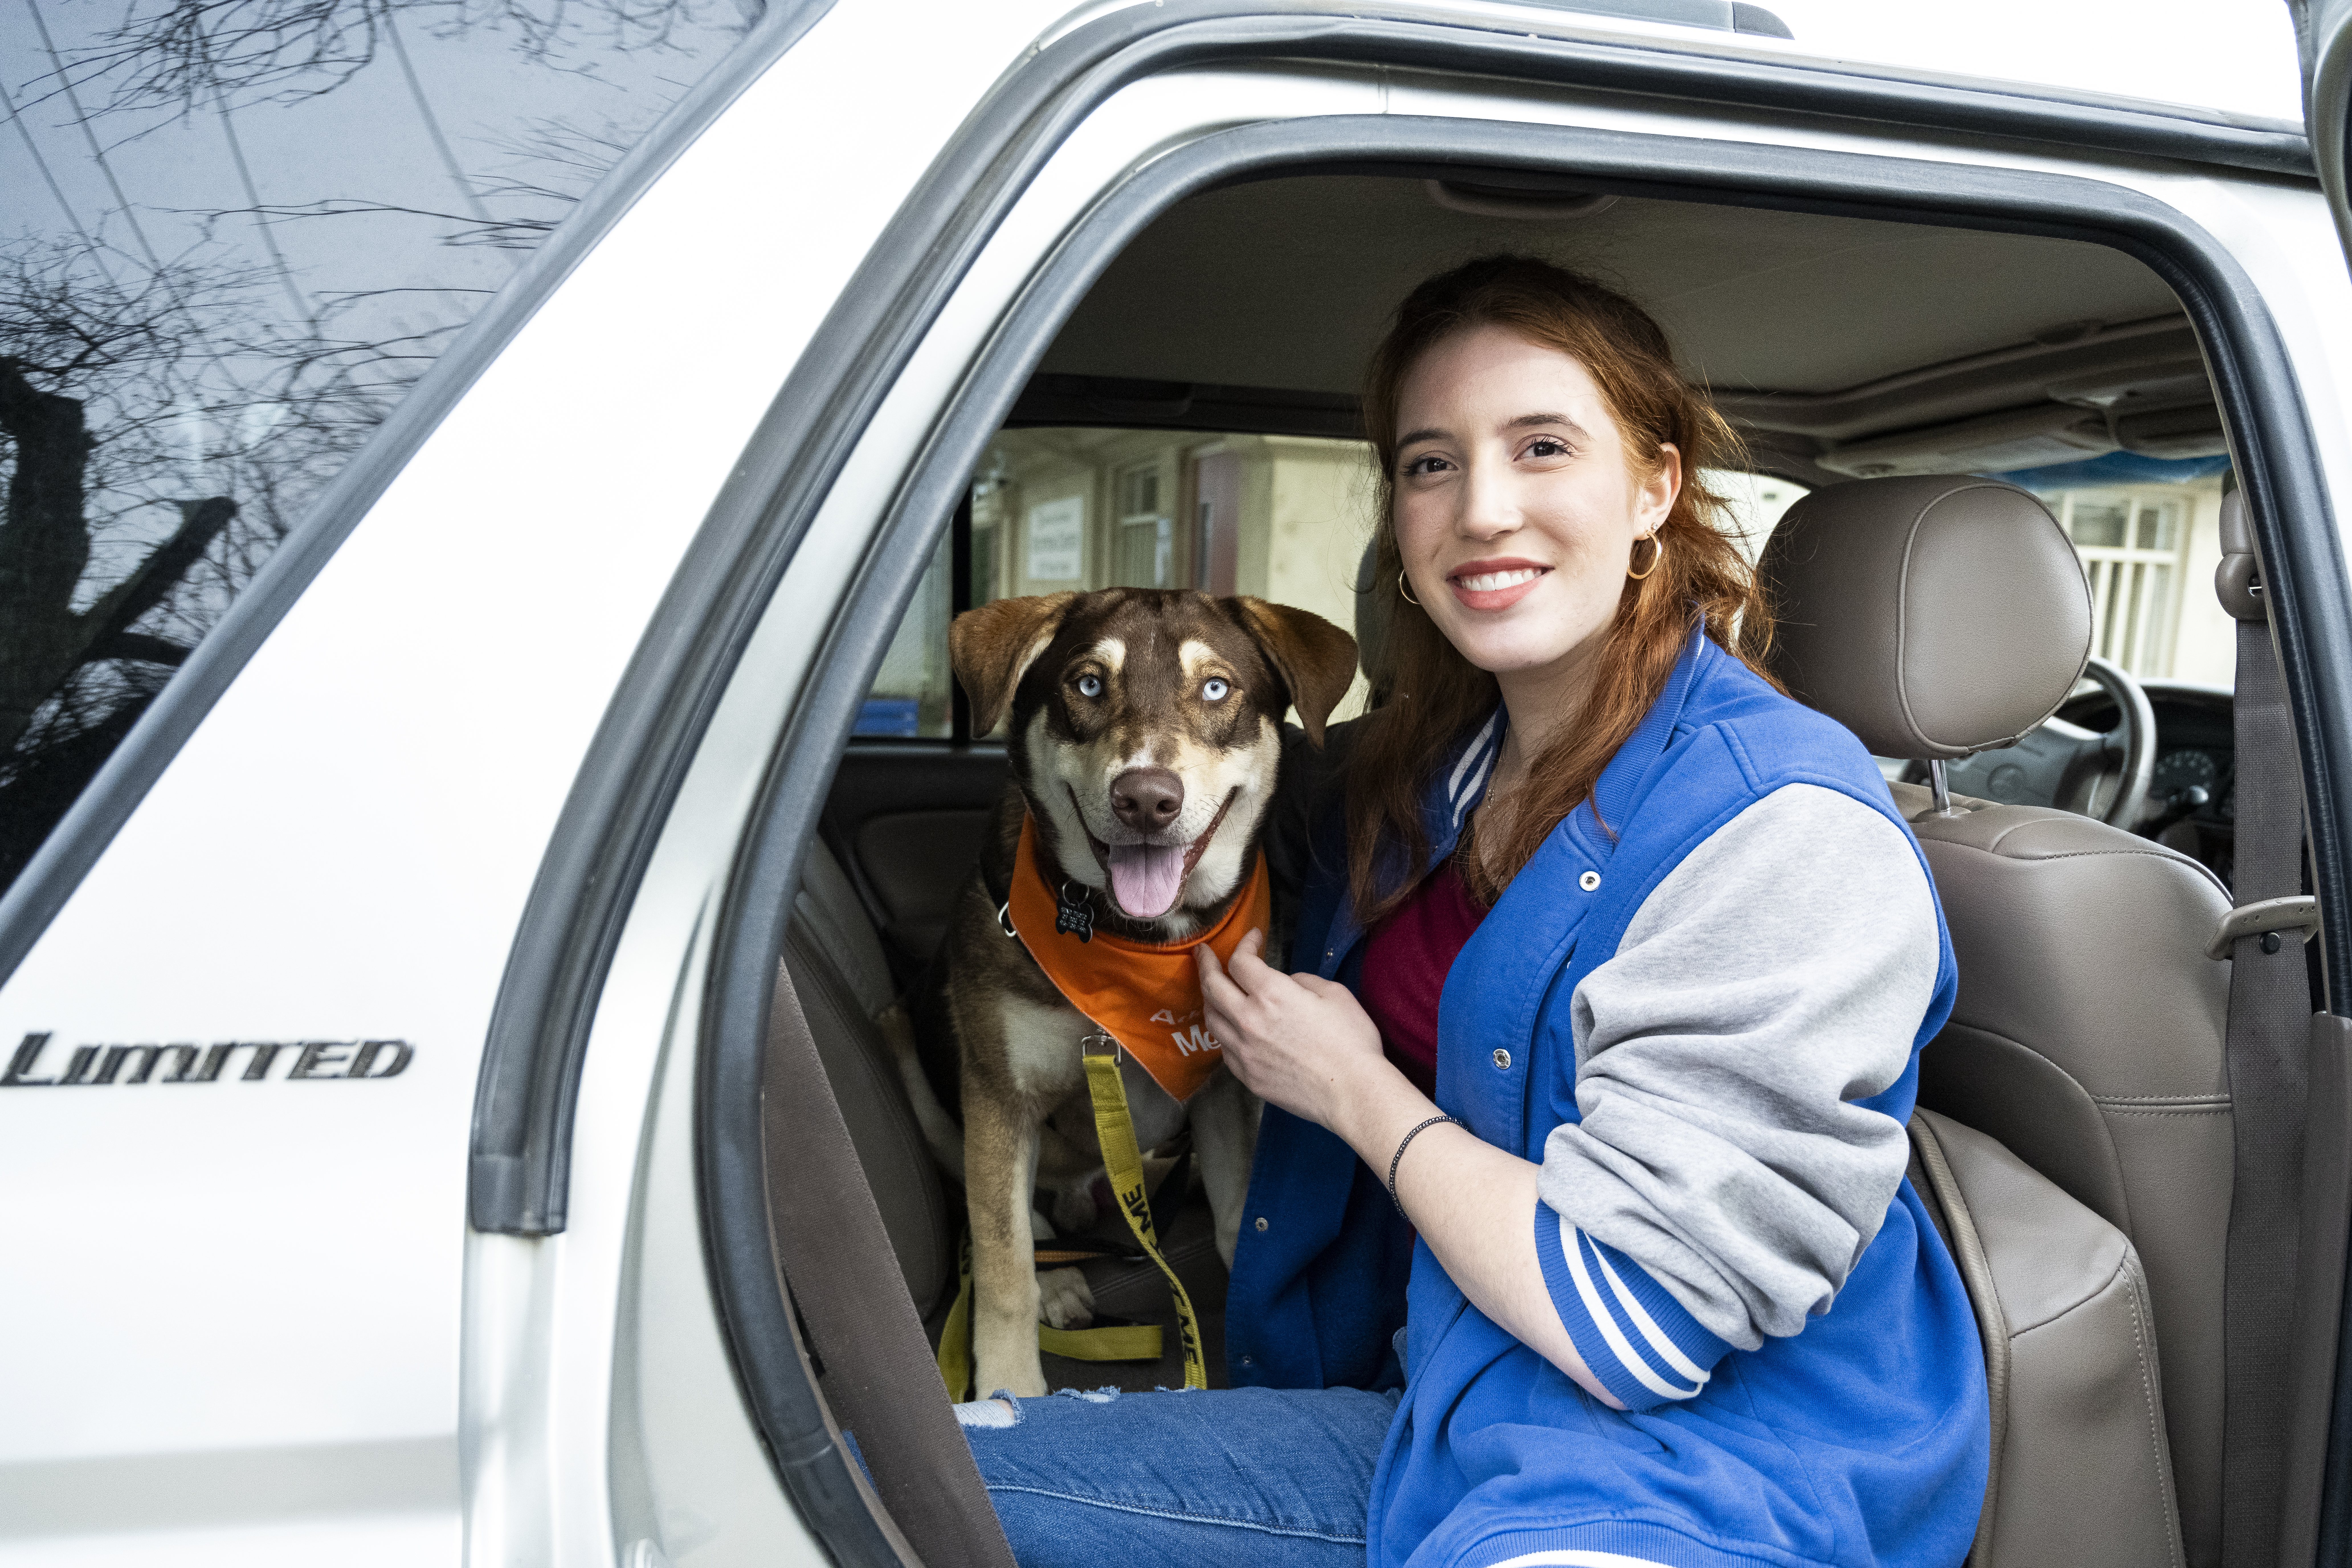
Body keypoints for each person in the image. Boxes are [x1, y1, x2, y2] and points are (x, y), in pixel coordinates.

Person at [956, 254, 1988, 1568]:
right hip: (1433, 1412)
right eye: (1430, 463)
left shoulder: (1789, 833)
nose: (1482, 508)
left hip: (1692, 1474)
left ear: (1655, 487)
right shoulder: (1422, 774)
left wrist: (1354, 1091)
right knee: (887, 1464)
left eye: (1543, 446)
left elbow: (1641, 1320)